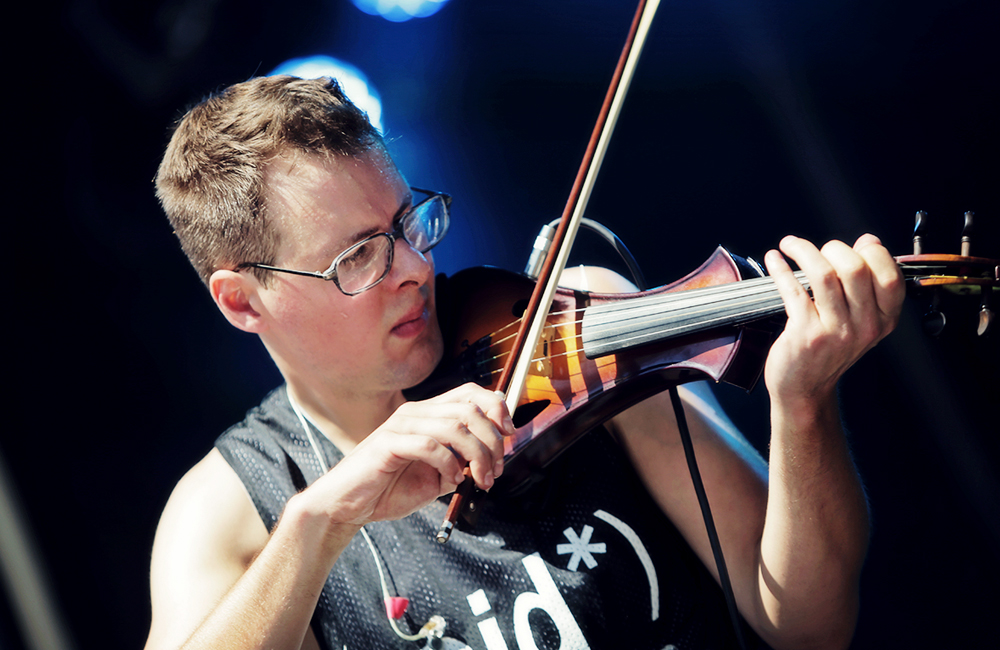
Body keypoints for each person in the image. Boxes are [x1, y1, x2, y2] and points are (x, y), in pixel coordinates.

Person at [145, 75, 904, 650]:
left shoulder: (577, 323)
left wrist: (803, 404)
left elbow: (808, 626)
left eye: (408, 222)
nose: (415, 266)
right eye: (358, 258)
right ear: (243, 302)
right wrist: (321, 520)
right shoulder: (232, 503)